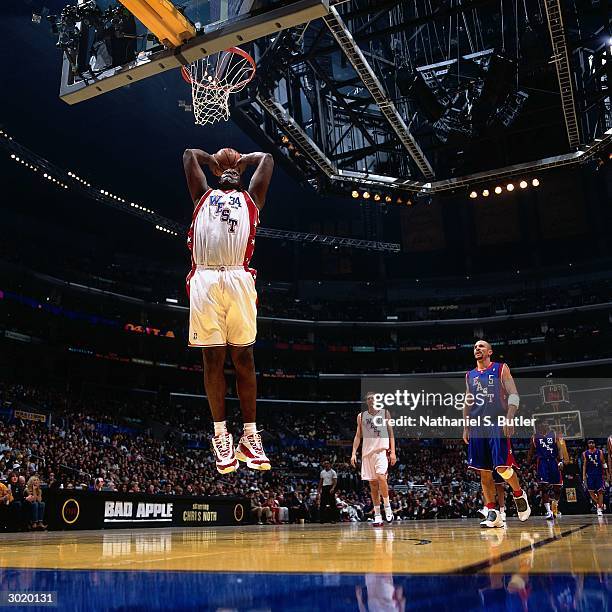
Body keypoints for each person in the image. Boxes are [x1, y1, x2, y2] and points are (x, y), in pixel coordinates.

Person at [182, 147, 274, 474]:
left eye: (236, 171)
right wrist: (213, 161)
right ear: (217, 174)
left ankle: (250, 436)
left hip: (238, 276)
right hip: (206, 277)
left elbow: (268, 160)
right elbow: (188, 155)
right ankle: (221, 435)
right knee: (212, 359)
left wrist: (242, 161)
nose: (232, 172)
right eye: (226, 170)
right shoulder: (202, 196)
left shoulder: (251, 199)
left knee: (245, 358)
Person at [463, 340, 531, 528]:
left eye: (481, 346)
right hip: (477, 426)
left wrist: (510, 416)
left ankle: (518, 494)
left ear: (490, 351)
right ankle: (493, 513)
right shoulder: (470, 375)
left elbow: (514, 394)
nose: (477, 348)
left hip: (497, 422)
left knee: (501, 468)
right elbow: (468, 401)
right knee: (484, 472)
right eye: (475, 346)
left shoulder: (501, 368)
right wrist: (466, 425)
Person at [351, 392, 397, 527]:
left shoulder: (385, 413)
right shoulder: (361, 416)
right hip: (367, 454)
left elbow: (391, 434)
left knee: (381, 477)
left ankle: (387, 506)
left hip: (381, 451)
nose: (371, 400)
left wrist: (393, 452)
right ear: (366, 401)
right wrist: (353, 453)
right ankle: (377, 515)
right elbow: (358, 436)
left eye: (374, 398)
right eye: (369, 398)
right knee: (373, 485)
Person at [528, 420, 567, 519]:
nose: (546, 425)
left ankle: (555, 507)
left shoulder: (553, 434)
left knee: (557, 488)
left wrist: (561, 460)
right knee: (544, 487)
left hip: (553, 461)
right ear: (539, 426)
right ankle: (549, 511)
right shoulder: (534, 437)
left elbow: (559, 448)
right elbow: (531, 451)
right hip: (542, 462)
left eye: (547, 424)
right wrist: (528, 463)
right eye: (544, 423)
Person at [582, 440, 606, 516]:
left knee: (600, 492)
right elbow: (584, 465)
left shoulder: (600, 452)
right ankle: (600, 504)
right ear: (588, 445)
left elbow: (603, 462)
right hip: (590, 475)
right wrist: (583, 475)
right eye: (590, 443)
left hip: (599, 474)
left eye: (593, 442)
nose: (591, 444)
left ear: (595, 444)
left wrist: (607, 473)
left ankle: (599, 509)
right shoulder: (585, 453)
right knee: (591, 492)